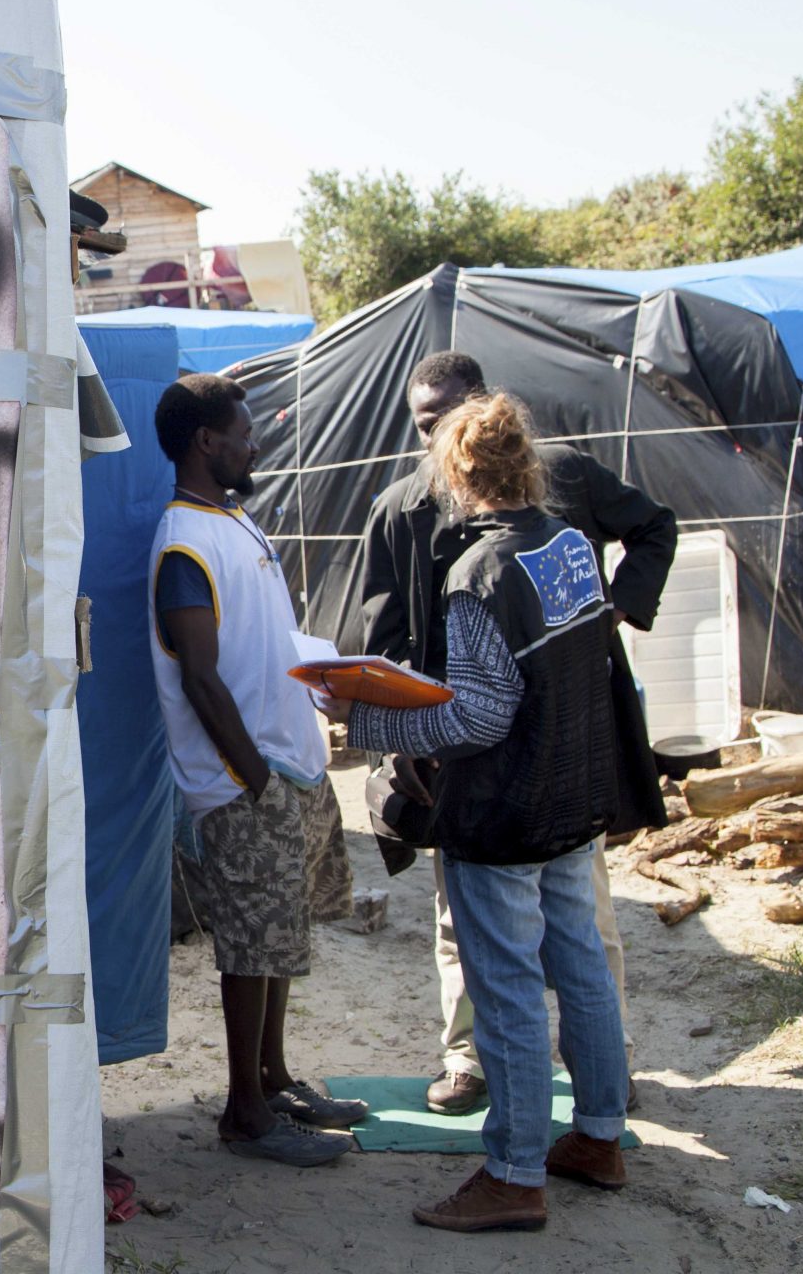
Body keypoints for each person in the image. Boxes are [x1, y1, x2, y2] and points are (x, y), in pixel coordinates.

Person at [328, 392, 631, 1231]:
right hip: (575, 794)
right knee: (581, 970)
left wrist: (372, 720)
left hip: (505, 814)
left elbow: (478, 716)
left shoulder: (478, 573)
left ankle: (514, 1173)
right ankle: (600, 1135)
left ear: (456, 475)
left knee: (505, 995)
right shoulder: (568, 545)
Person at [359, 351, 675, 1116]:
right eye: (423, 428)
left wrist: (364, 717)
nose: (437, 441)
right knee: (472, 933)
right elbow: (386, 634)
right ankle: (495, 1071)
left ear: (486, 420)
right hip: (483, 761)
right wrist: (408, 733)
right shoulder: (403, 510)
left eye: (449, 426)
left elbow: (481, 708)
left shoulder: (498, 553)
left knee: (557, 944)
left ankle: (526, 1154)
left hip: (532, 751)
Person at [147, 373, 363, 1167]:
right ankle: (245, 1111)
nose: (254, 444)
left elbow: (261, 647)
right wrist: (253, 776)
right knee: (248, 944)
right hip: (246, 781)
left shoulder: (233, 522)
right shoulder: (183, 543)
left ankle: (273, 1080)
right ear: (206, 442)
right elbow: (200, 675)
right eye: (243, 432)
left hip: (287, 763)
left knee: (280, 936)